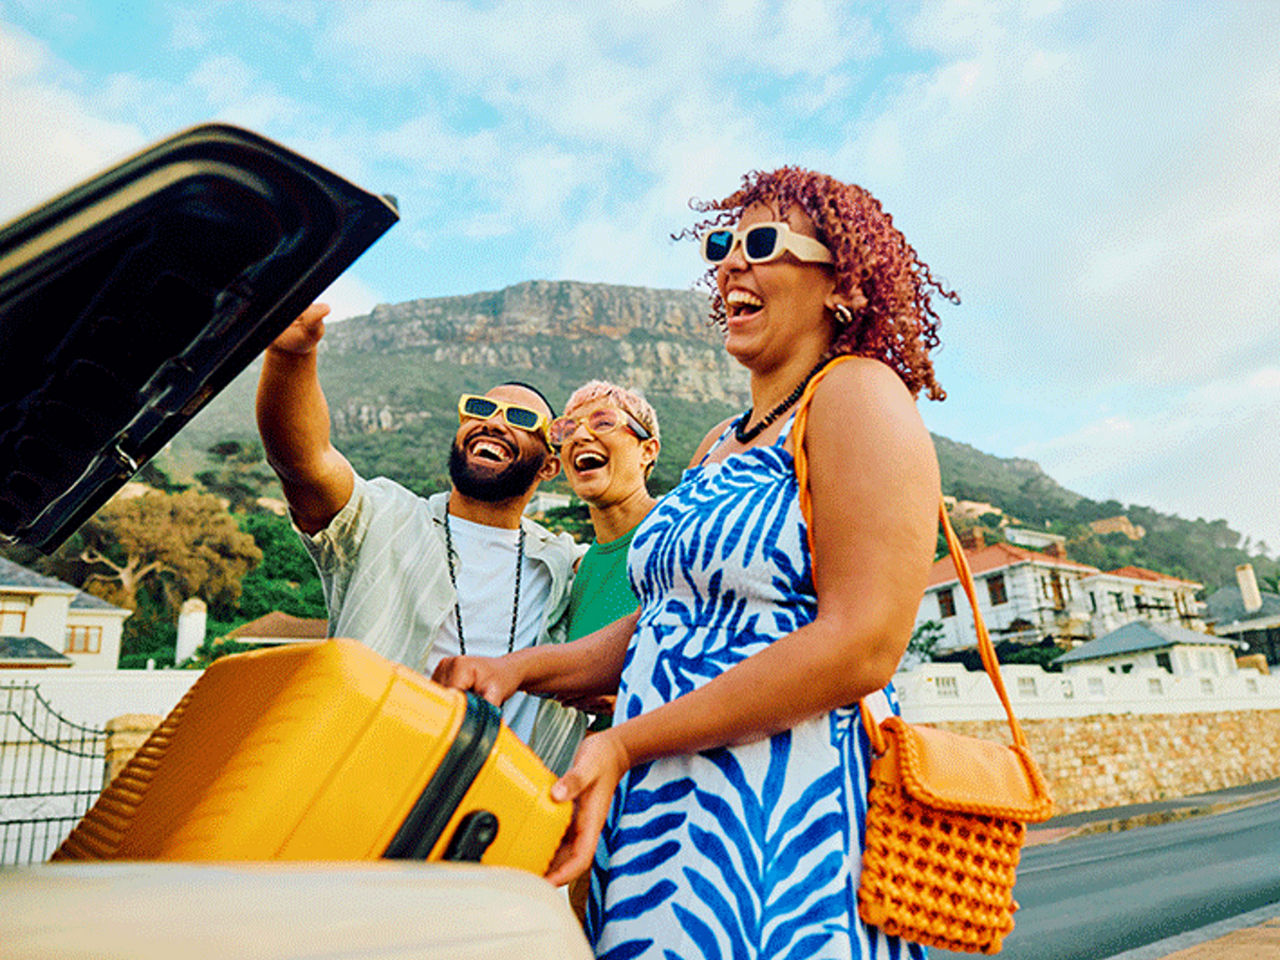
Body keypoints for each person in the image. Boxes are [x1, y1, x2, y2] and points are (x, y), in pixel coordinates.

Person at [434, 166, 954, 959]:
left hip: (777, 819)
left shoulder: (857, 395)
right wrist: (517, 671)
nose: (729, 263)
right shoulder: (718, 443)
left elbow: (863, 644)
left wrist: (626, 743)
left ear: (840, 281)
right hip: (660, 812)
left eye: (761, 243)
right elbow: (666, 623)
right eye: (722, 245)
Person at [257, 303, 586, 774]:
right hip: (362, 786)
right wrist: (290, 357)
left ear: (550, 467)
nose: (493, 422)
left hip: (506, 820)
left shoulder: (564, 564)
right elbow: (303, 462)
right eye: (479, 409)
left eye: (518, 417)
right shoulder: (383, 517)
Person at [554, 380, 661, 646]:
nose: (579, 437)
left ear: (647, 451)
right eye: (567, 430)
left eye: (603, 423)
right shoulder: (577, 572)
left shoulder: (678, 538)